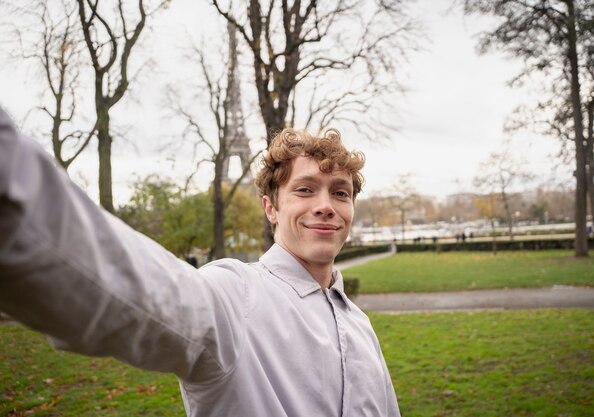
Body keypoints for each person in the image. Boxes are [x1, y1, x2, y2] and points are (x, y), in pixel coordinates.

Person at [0, 108, 400, 417]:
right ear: (271, 208)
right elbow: (121, 288)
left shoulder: (360, 326)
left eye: (341, 193)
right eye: (305, 189)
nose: (326, 206)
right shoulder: (234, 296)